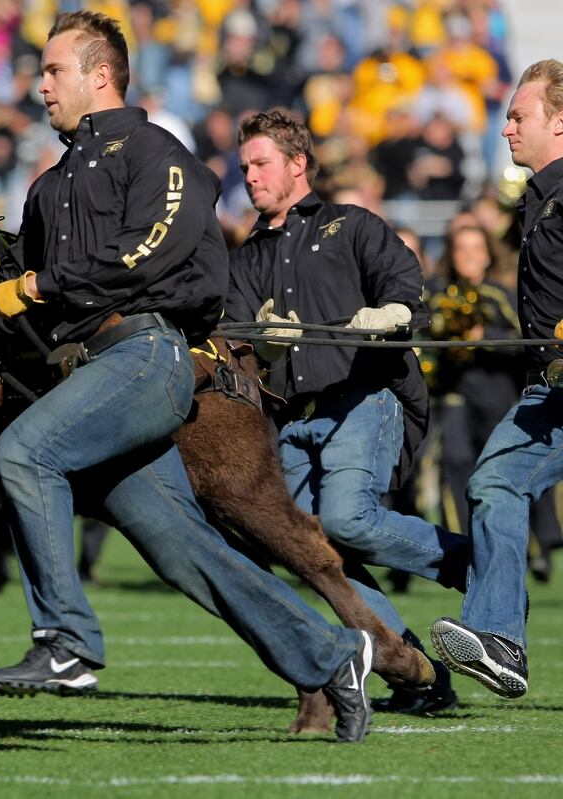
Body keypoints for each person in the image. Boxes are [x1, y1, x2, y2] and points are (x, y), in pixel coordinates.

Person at [0, 12, 375, 743]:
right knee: (184, 552)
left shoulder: (158, 154)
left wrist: (39, 286)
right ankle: (333, 656)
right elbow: (13, 303)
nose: (39, 87)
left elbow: (150, 255)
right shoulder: (49, 188)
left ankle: (66, 638)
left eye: (52, 72)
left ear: (99, 76)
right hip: (93, 377)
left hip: (151, 357)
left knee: (24, 451)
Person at [224, 108, 466, 715]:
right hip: (292, 417)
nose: (250, 176)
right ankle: (413, 671)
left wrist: (392, 314)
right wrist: (259, 340)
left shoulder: (350, 224)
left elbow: (406, 288)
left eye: (261, 164)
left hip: (365, 393)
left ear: (298, 164)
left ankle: (475, 563)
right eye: (245, 166)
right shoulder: (246, 257)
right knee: (314, 552)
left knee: (347, 521)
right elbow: (239, 338)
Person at [431, 60, 563, 699]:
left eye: (519, 116)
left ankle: (499, 633)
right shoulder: (536, 199)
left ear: (559, 121)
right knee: (493, 482)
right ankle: (499, 638)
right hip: (549, 390)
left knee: (494, 482)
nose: (506, 127)